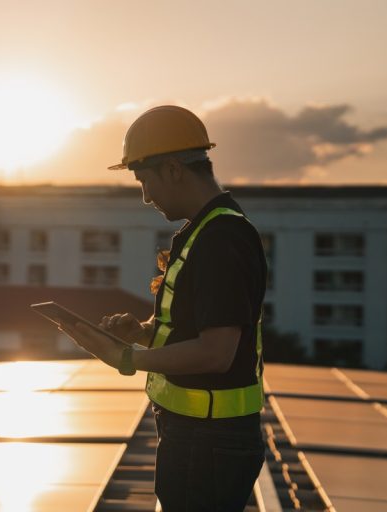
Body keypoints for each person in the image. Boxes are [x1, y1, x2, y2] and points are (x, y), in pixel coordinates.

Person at [60, 105, 267, 512]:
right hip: (203, 438)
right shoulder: (203, 232)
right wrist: (143, 330)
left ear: (173, 169)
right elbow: (193, 330)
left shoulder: (220, 239)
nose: (145, 196)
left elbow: (215, 352)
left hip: (209, 441)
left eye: (144, 180)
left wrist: (127, 357)